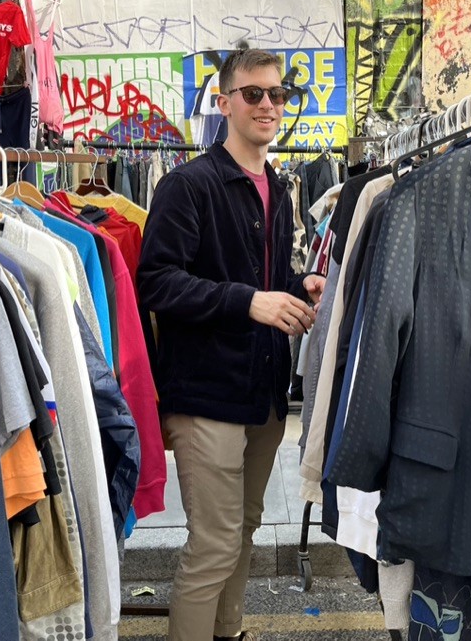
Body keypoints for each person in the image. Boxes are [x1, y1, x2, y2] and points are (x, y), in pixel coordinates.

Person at [137, 46, 325, 641]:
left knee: (241, 529)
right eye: (253, 93)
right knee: (214, 543)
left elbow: (263, 277)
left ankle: (230, 630)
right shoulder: (187, 185)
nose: (268, 104)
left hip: (261, 393)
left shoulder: (276, 185)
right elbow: (157, 282)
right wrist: (250, 301)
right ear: (224, 103)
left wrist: (299, 287)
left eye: (278, 94)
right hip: (207, 395)